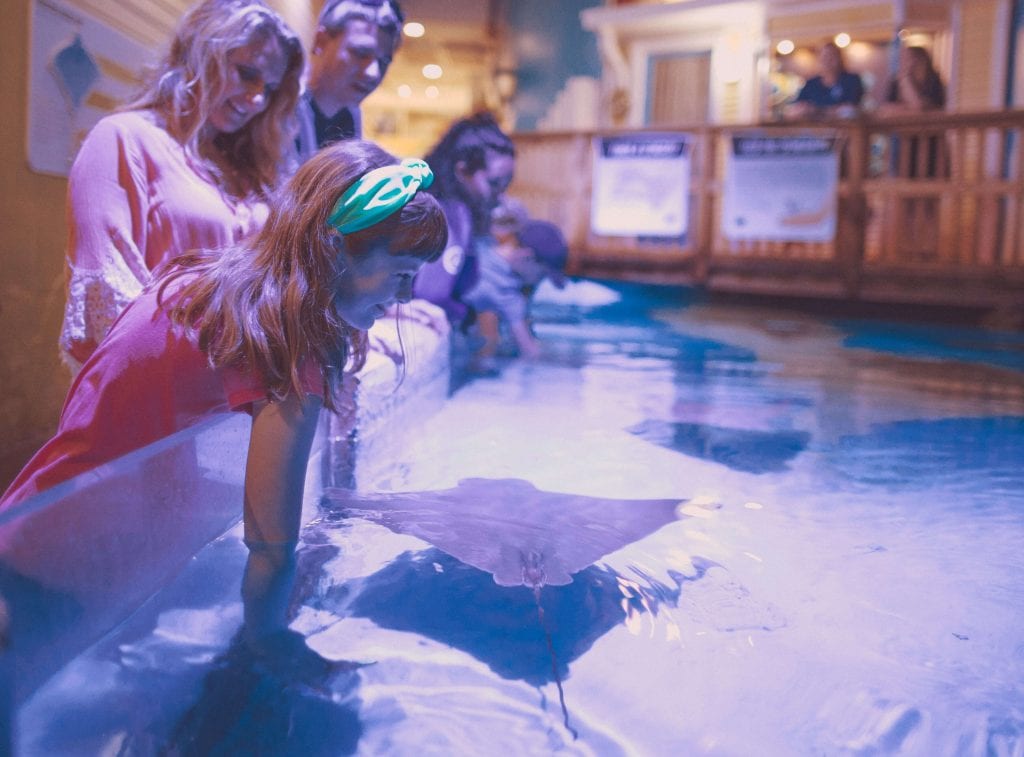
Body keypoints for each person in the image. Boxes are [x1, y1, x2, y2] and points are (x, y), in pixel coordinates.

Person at [2, 140, 447, 644]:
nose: (405, 297)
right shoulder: (288, 347)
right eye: (402, 275)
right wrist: (266, 648)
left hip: (35, 522)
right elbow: (271, 548)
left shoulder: (208, 286)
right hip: (71, 566)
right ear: (333, 248)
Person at [59, 0, 305, 372]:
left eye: (270, 89)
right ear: (202, 53)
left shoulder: (247, 167)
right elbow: (109, 299)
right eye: (246, 73)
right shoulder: (124, 138)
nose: (257, 98)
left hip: (241, 390)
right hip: (155, 386)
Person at [412, 113, 516, 332]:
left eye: (506, 184)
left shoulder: (435, 204)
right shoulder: (451, 214)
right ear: (462, 171)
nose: (501, 195)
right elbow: (432, 295)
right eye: (494, 183)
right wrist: (467, 315)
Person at [295, 0, 404, 161]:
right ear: (321, 41)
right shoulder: (277, 109)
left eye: (383, 61)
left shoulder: (351, 116)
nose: (373, 73)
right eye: (360, 53)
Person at [464, 201, 569, 368]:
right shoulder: (506, 293)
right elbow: (529, 351)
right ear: (527, 256)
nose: (538, 281)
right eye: (541, 275)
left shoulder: (479, 248)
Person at [785, 41, 864, 120]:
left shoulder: (851, 80)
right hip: (815, 127)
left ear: (840, 58)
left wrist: (816, 110)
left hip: (845, 126)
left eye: (831, 56)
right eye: (824, 57)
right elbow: (795, 109)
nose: (827, 61)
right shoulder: (811, 84)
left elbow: (850, 110)